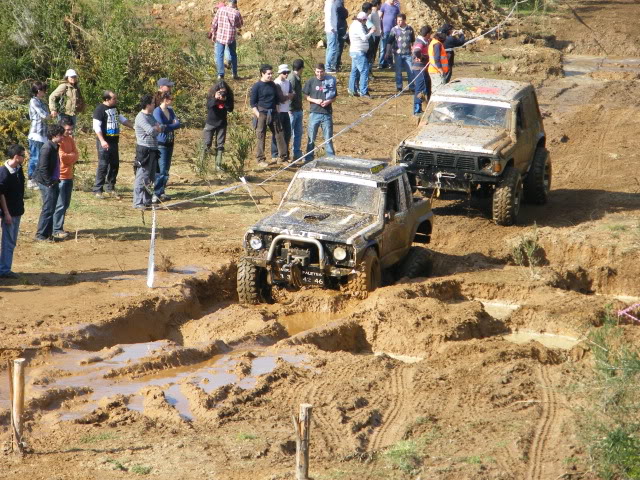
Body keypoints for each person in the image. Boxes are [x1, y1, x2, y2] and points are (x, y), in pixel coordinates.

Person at [92, 91, 133, 200]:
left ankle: (110, 187)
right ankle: (98, 189)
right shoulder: (99, 110)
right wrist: (102, 141)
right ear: (107, 99)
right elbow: (96, 127)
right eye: (114, 99)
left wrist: (135, 127)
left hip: (114, 141)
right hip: (104, 142)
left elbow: (123, 120)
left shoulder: (115, 108)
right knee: (103, 165)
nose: (116, 100)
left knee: (114, 165)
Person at [250, 64, 288, 167]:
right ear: (262, 73)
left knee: (279, 134)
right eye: (268, 73)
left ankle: (282, 157)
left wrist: (277, 110)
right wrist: (258, 114)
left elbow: (276, 99)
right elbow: (253, 103)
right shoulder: (257, 86)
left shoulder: (273, 85)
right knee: (261, 136)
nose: (270, 75)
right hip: (261, 113)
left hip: (273, 113)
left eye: (271, 73)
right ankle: (260, 159)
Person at [33, 125, 65, 242]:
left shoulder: (54, 146)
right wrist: (49, 183)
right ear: (53, 136)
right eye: (60, 135)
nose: (62, 137)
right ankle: (41, 235)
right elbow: (42, 168)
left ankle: (48, 234)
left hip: (52, 181)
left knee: (51, 209)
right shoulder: (47, 148)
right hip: (47, 182)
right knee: (48, 208)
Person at [0, 145, 26, 279]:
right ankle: (4, 270)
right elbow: (1, 194)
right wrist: (6, 213)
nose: (24, 158)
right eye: (23, 155)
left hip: (17, 211)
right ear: (16, 157)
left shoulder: (18, 169)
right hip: (10, 213)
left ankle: (5, 268)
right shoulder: (4, 172)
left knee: (11, 241)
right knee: (8, 241)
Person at [133, 94, 163, 209]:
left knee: (151, 177)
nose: (155, 105)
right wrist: (156, 128)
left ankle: (147, 201)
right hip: (144, 151)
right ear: (148, 104)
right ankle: (138, 202)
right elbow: (153, 131)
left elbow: (159, 126)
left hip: (153, 150)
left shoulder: (150, 116)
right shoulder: (141, 117)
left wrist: (157, 128)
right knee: (142, 177)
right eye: (153, 103)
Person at [302, 63, 337, 162]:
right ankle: (308, 158)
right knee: (311, 138)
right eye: (317, 71)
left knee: (328, 138)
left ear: (324, 71)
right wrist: (315, 100)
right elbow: (305, 96)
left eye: (321, 71)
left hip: (327, 113)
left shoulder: (330, 81)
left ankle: (331, 158)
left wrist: (328, 101)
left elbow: (334, 97)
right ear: (315, 71)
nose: (319, 74)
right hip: (314, 113)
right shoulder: (311, 81)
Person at [153, 92, 182, 202]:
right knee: (162, 170)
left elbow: (178, 124)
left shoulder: (170, 110)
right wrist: (171, 125)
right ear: (165, 99)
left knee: (166, 170)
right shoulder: (157, 111)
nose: (172, 100)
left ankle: (161, 191)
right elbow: (160, 126)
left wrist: (168, 126)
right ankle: (156, 193)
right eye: (171, 98)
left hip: (170, 142)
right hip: (161, 144)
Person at [52, 118, 78, 240]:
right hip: (61, 177)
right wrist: (71, 156)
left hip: (69, 176)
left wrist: (71, 156)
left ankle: (59, 227)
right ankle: (56, 229)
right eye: (67, 129)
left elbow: (76, 155)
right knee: (60, 204)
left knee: (65, 204)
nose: (70, 132)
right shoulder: (59, 141)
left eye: (71, 129)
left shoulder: (70, 139)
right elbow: (64, 158)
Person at [203, 81, 234, 169]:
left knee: (220, 145)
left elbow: (230, 109)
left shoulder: (228, 97)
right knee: (206, 143)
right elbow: (208, 106)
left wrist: (225, 100)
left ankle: (218, 165)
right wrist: (215, 98)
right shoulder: (211, 95)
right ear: (216, 91)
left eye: (224, 91)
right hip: (210, 123)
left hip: (222, 123)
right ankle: (202, 164)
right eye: (220, 91)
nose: (222, 93)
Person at [209, 0, 243, 80]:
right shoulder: (236, 13)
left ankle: (220, 74)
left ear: (228, 2)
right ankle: (234, 74)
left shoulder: (220, 10)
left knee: (219, 55)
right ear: (235, 3)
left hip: (220, 36)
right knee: (233, 55)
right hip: (231, 37)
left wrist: (213, 33)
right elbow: (239, 25)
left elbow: (214, 23)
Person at [27, 81, 50, 190]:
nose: (45, 92)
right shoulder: (34, 101)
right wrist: (51, 115)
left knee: (41, 158)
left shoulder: (42, 102)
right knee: (35, 158)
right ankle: (31, 179)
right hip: (36, 134)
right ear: (38, 91)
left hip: (43, 135)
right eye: (43, 90)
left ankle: (38, 179)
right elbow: (43, 115)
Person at [348, 12, 376, 98]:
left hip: (355, 51)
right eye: (365, 20)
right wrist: (371, 32)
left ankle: (352, 90)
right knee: (364, 70)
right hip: (358, 52)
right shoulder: (358, 26)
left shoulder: (354, 24)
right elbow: (364, 37)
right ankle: (363, 92)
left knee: (355, 71)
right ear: (363, 20)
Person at [385, 14, 415, 92]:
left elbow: (412, 41)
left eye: (400, 20)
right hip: (397, 54)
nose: (398, 22)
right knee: (398, 71)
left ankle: (411, 87)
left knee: (410, 71)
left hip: (408, 54)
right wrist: (387, 52)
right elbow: (389, 42)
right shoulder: (394, 29)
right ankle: (399, 87)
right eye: (397, 20)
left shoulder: (410, 29)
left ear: (405, 20)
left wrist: (413, 51)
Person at [271, 65, 293, 161]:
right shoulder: (276, 83)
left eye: (287, 72)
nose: (286, 74)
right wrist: (287, 96)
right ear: (280, 73)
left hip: (286, 110)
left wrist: (286, 96)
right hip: (278, 111)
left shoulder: (288, 82)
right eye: (284, 73)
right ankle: (275, 154)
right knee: (278, 133)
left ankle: (285, 154)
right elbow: (281, 99)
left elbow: (293, 95)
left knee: (287, 133)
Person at [411, 26, 432, 116]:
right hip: (420, 68)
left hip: (423, 68)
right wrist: (421, 57)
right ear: (427, 34)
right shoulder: (420, 42)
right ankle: (417, 110)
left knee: (426, 87)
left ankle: (424, 107)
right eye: (430, 34)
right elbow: (416, 51)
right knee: (420, 88)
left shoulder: (425, 41)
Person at [288, 59, 305, 161]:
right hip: (292, 111)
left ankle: (297, 153)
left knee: (298, 133)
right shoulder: (293, 79)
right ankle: (286, 154)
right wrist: (290, 109)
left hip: (298, 109)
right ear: (301, 68)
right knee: (289, 133)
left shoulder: (296, 77)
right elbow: (291, 94)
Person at [378, 0, 400, 69]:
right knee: (383, 48)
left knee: (391, 48)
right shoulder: (384, 6)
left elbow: (398, 19)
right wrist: (380, 28)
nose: (393, 1)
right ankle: (381, 63)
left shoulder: (396, 8)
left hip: (393, 31)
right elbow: (379, 18)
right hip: (385, 30)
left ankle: (390, 63)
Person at [366, 1, 382, 71]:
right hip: (373, 37)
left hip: (377, 35)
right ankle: (369, 71)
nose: (381, 6)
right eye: (380, 4)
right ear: (378, 5)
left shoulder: (376, 13)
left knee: (374, 54)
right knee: (371, 54)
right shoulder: (371, 14)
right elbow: (368, 25)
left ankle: (370, 70)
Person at [335, 0, 349, 73]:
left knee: (338, 46)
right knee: (339, 46)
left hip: (339, 27)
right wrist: (346, 11)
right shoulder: (339, 2)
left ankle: (337, 63)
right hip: (340, 27)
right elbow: (345, 14)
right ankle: (336, 65)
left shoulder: (337, 2)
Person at [324, 0, 338, 73]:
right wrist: (331, 28)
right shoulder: (330, 3)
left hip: (331, 29)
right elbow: (328, 16)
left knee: (330, 49)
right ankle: (328, 67)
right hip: (331, 29)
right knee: (332, 49)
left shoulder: (331, 3)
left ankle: (328, 66)